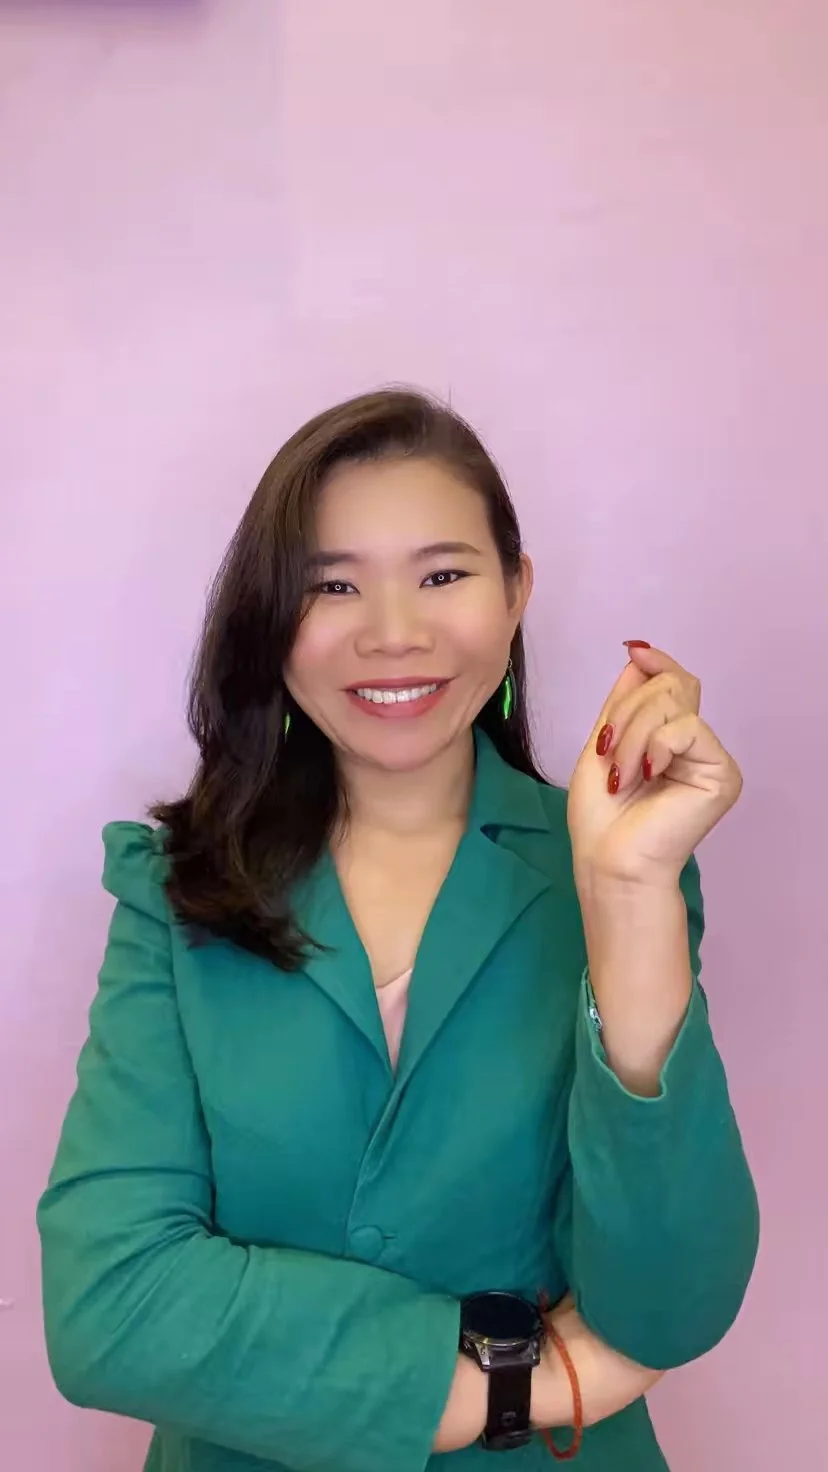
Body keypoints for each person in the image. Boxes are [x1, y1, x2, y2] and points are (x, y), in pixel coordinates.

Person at [38, 388, 759, 1472]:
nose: (393, 633)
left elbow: (668, 1304)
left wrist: (627, 893)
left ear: (516, 593)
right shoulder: (172, 890)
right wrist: (520, 1379)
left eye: (443, 573)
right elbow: (108, 1305)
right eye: (333, 583)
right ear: (271, 619)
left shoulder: (615, 873)